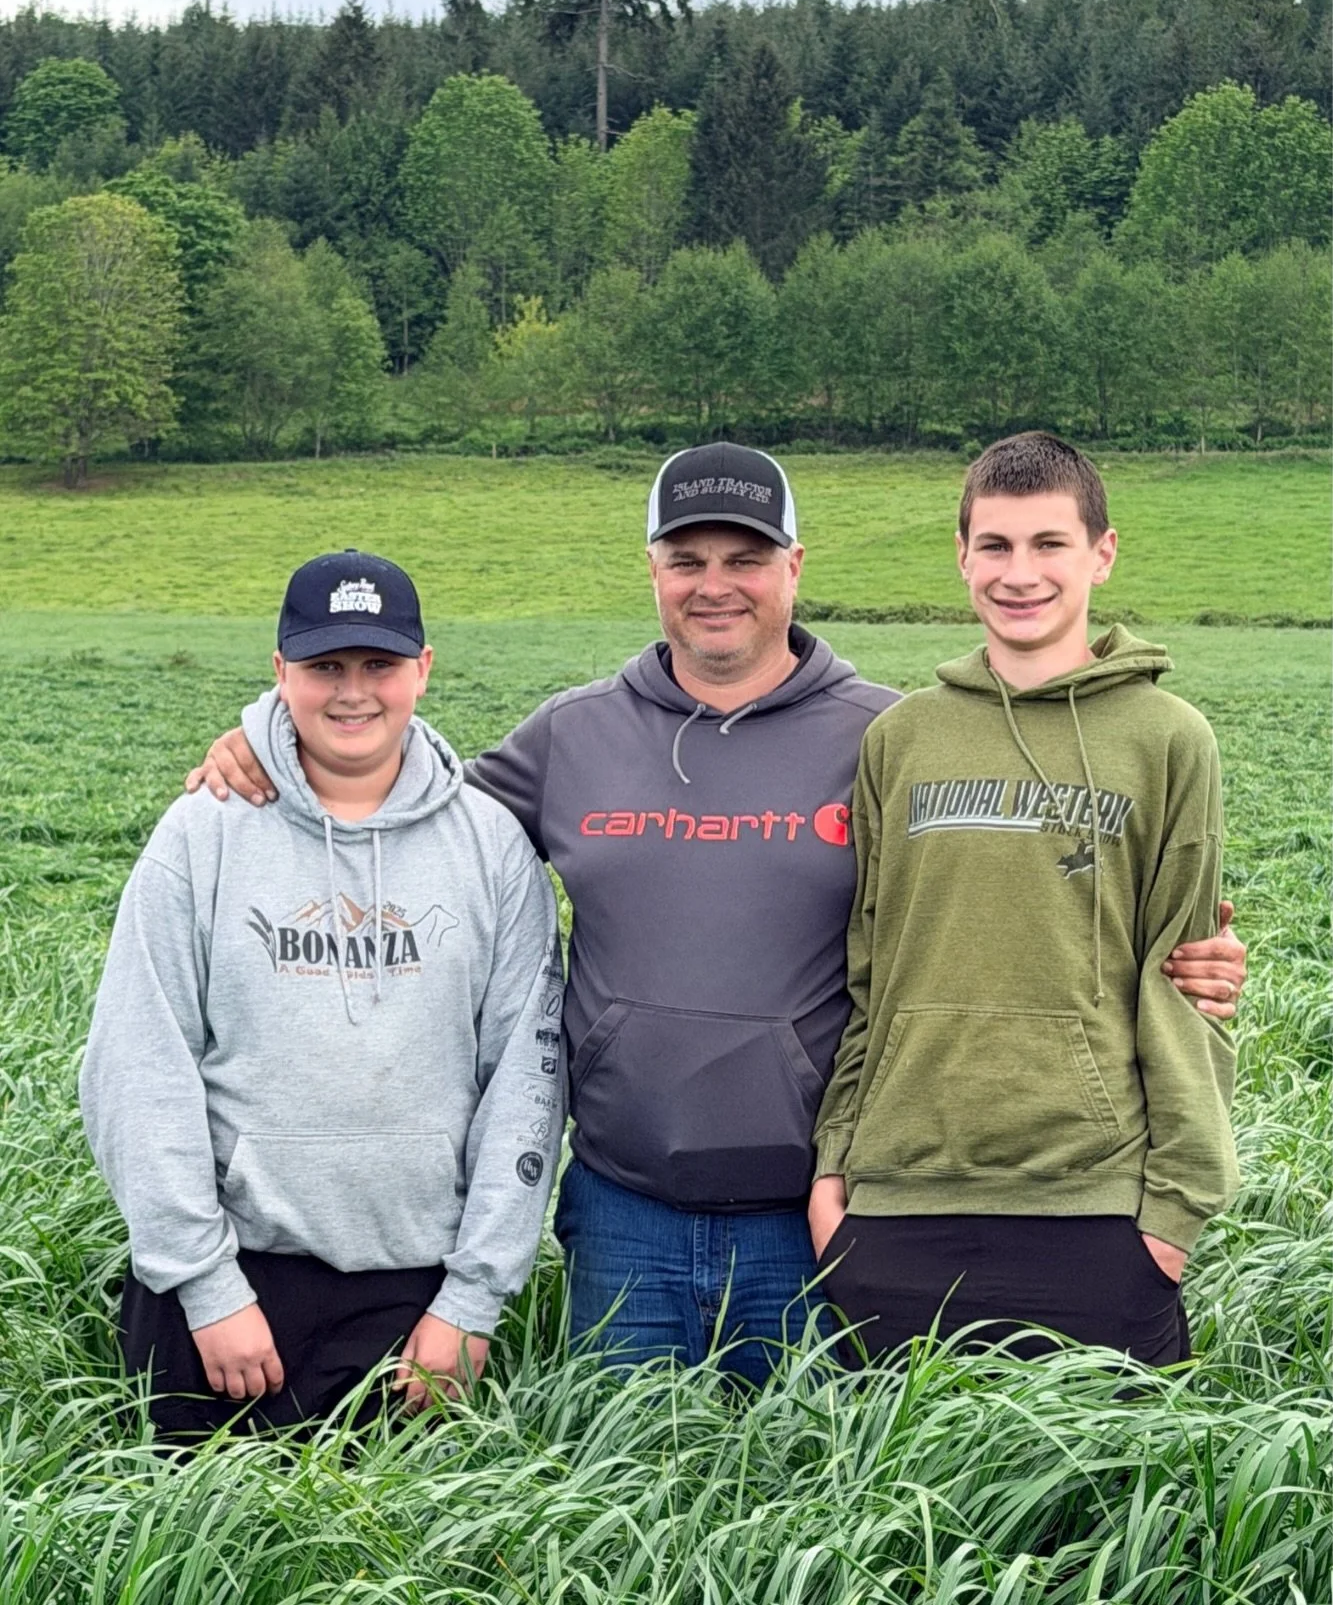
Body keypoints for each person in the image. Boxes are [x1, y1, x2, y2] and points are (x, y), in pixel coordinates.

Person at [186, 447, 1248, 1386]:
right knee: (627, 1506)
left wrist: (1193, 965)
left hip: (817, 1214)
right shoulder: (573, 733)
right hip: (621, 1210)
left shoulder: (890, 736)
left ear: (793, 565)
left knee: (810, 1515)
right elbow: (410, 807)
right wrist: (269, 743)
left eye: (743, 558)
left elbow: (1004, 896)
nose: (715, 586)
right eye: (686, 559)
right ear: (651, 569)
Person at [81, 550, 563, 1438]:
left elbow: (525, 1081)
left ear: (423, 667)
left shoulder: (491, 845)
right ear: (279, 672)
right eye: (324, 666)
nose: (352, 692)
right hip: (225, 1300)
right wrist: (204, 1280)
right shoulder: (203, 832)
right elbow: (138, 1064)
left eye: (378, 664)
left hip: (417, 1308)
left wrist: (473, 1298)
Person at [809, 433, 1239, 1367]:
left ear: (1101, 552)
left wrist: (1174, 1209)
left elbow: (1185, 981)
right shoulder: (900, 738)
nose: (1020, 573)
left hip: (1094, 1209)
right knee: (889, 1509)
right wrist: (835, 1167)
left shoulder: (1170, 740)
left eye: (1048, 543)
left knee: (1112, 1507)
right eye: (995, 546)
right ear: (961, 555)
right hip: (896, 1205)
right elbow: (870, 969)